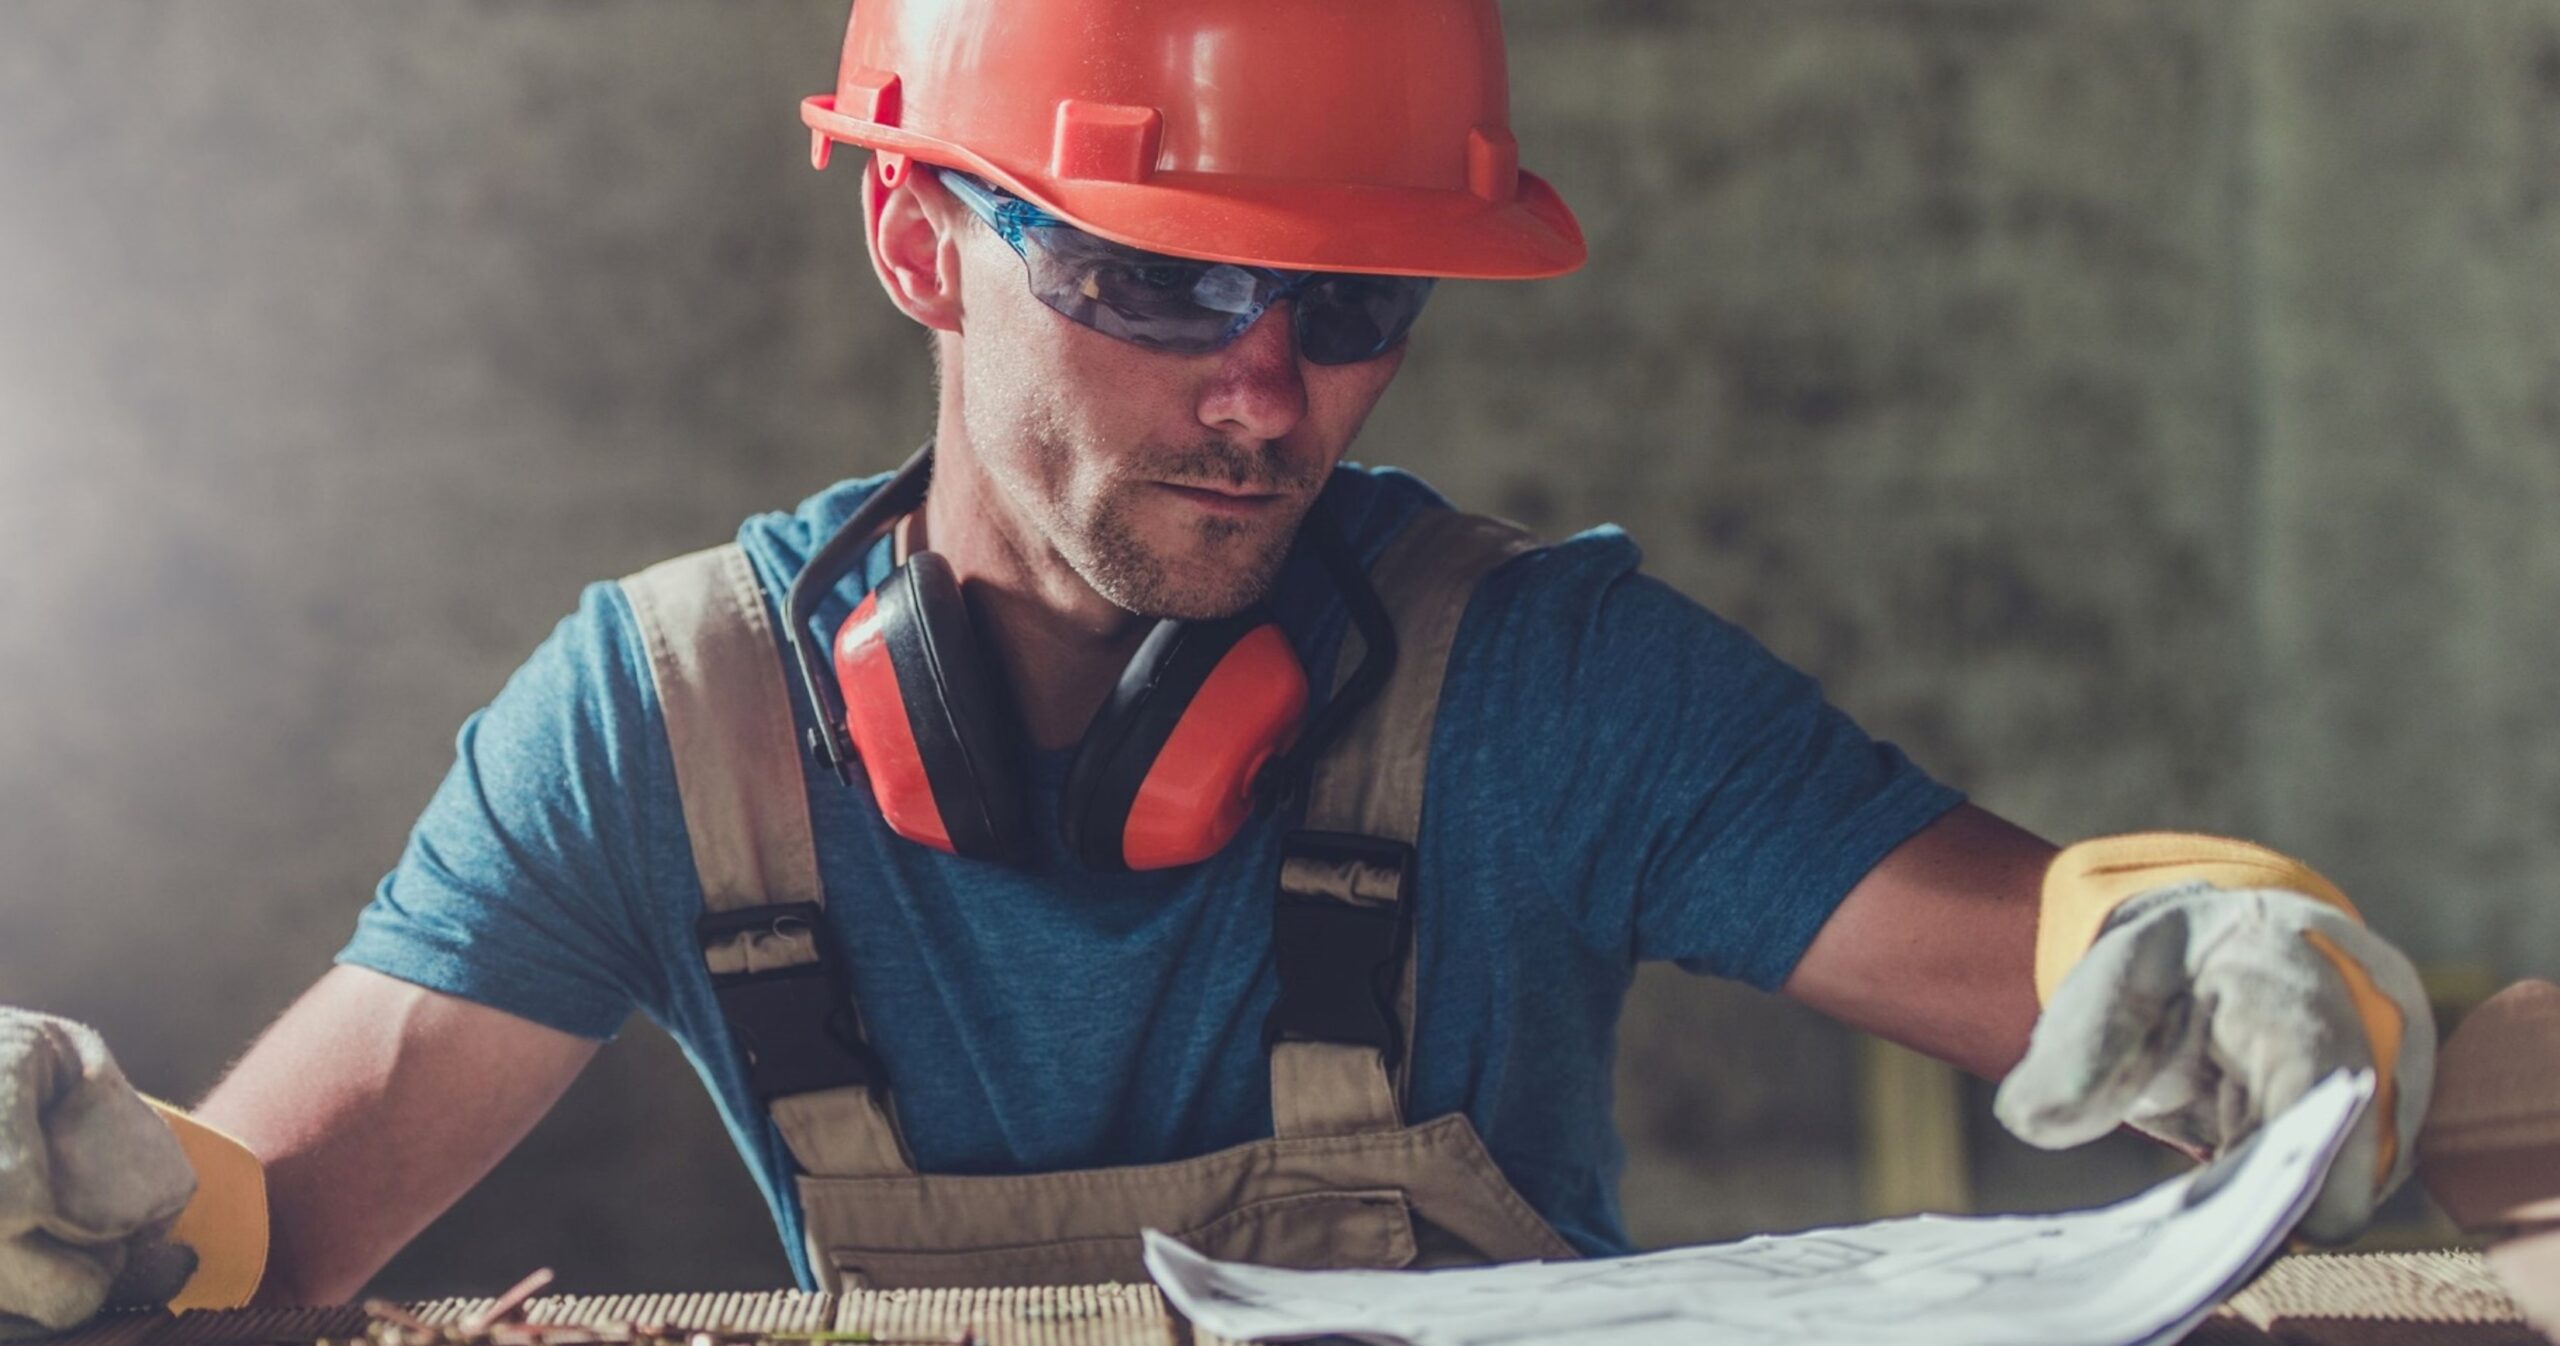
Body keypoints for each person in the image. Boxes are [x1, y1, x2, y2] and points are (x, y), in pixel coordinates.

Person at [0, 0, 2433, 1330]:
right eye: (1158, 285)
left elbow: (2084, 977)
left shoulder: (1542, 687)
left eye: (1348, 303)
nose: (1266, 396)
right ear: (922, 248)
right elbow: (262, 1235)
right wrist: (81, 1188)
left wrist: (2251, 957)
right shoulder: (666, 730)